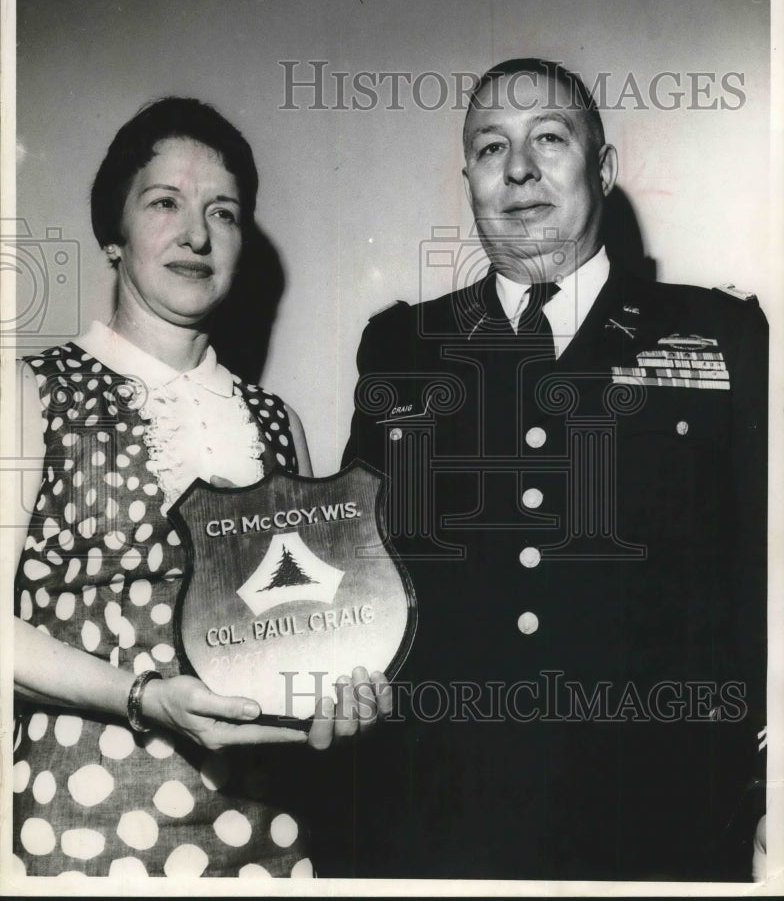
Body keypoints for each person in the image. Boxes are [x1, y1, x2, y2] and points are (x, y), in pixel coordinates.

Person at [336, 59, 767, 881]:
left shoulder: (720, 334)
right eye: (492, 147)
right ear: (468, 177)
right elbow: (363, 571)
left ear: (599, 169)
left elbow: (767, 570)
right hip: (441, 824)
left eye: (549, 139)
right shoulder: (402, 345)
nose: (521, 169)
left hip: (661, 822)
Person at [12, 97, 391, 878]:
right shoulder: (29, 392)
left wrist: (342, 697)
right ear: (113, 234)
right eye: (164, 203)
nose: (196, 234)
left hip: (266, 833)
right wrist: (142, 696)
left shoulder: (275, 420)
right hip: (85, 818)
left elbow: (304, 635)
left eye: (224, 212)